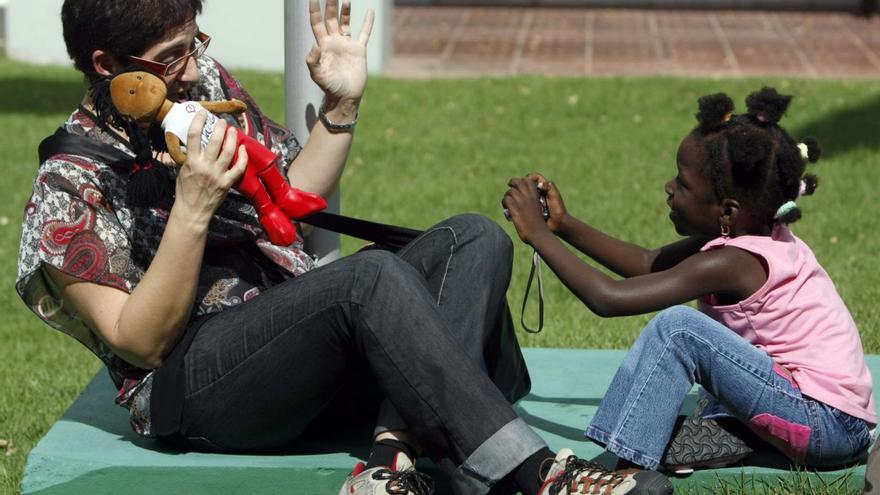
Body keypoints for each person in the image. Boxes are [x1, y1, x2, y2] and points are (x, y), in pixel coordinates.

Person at [16, 1, 674, 494]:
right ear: (108, 66)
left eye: (196, 43)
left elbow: (295, 189)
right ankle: (534, 477)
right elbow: (139, 341)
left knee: (473, 237)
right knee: (370, 278)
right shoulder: (67, 187)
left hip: (294, 345)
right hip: (194, 386)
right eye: (173, 56)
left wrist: (342, 102)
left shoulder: (200, 82)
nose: (192, 69)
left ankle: (390, 463)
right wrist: (191, 210)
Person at [503, 88, 876, 473]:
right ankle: (731, 443)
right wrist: (563, 226)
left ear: (727, 210)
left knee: (679, 330)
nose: (669, 187)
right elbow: (649, 264)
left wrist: (538, 235)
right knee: (677, 413)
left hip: (825, 423)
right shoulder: (748, 236)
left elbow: (609, 299)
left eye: (682, 184)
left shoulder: (735, 261)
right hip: (833, 423)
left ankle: (627, 472)